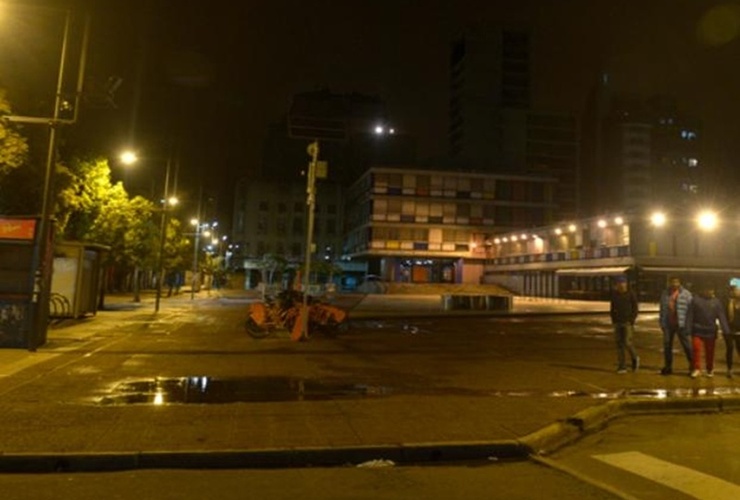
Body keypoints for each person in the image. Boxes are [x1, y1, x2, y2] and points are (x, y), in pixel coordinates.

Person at [686, 282, 730, 378]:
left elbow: (721, 316)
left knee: (710, 351)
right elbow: (690, 315)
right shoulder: (695, 301)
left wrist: (726, 330)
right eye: (709, 290)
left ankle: (709, 369)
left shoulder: (716, 302)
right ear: (703, 290)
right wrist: (688, 329)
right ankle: (697, 368)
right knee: (696, 349)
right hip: (697, 329)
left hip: (710, 331)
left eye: (712, 290)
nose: (711, 292)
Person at [658, 276, 693, 375]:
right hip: (668, 324)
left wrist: (688, 323)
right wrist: (662, 322)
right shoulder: (665, 293)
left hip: (681, 324)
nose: (674, 284)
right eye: (672, 282)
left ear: (680, 283)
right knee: (667, 345)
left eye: (676, 282)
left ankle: (693, 366)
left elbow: (691, 310)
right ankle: (668, 367)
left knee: (687, 346)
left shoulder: (686, 294)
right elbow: (662, 309)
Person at [610, 276, 639, 373]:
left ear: (626, 284)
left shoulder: (631, 294)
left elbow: (635, 308)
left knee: (627, 342)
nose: (621, 285)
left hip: (627, 322)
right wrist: (613, 320)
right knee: (619, 344)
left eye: (622, 283)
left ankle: (635, 358)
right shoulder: (615, 295)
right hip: (618, 322)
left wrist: (631, 320)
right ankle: (622, 366)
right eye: (619, 283)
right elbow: (612, 308)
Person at [724, 285, 740, 378]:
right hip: (729, 330)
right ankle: (729, 369)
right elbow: (723, 315)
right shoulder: (727, 302)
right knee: (729, 349)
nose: (737, 292)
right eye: (735, 291)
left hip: (739, 330)